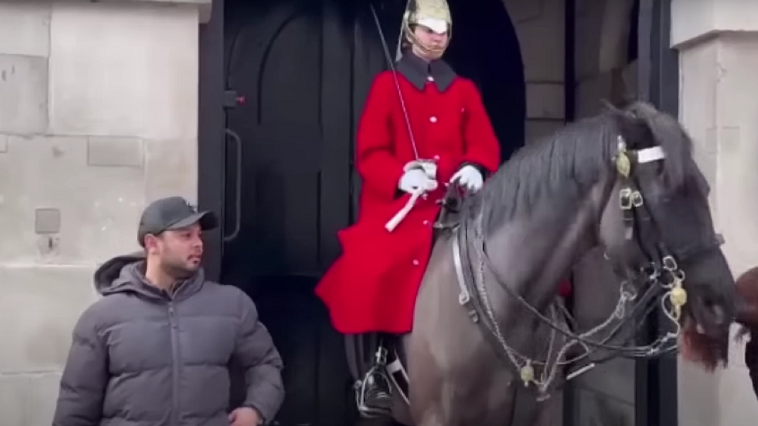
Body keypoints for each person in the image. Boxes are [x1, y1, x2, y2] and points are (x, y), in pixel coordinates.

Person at [314, 0, 501, 418]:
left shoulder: (464, 89)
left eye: (443, 31)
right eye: (428, 29)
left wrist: (474, 166)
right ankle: (376, 368)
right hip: (405, 207)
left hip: (458, 204)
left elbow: (484, 142)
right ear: (410, 31)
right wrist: (402, 176)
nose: (436, 38)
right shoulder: (387, 86)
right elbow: (369, 152)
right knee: (373, 266)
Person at [52, 196, 284, 426]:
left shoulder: (231, 304)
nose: (198, 244)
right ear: (152, 244)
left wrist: (256, 410)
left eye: (199, 235)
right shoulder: (102, 317)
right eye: (186, 236)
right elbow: (76, 406)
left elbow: (266, 364)